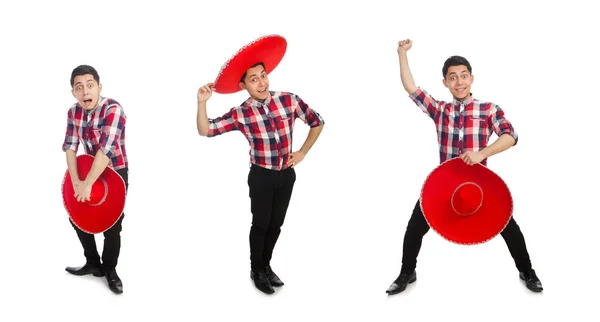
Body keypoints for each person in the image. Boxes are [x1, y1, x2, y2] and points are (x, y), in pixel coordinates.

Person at [386, 39, 543, 295]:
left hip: (479, 185)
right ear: (445, 83)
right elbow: (411, 87)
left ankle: (528, 272)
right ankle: (407, 273)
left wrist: (483, 153)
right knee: (414, 227)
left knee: (509, 227)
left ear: (471, 79)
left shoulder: (488, 109)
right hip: (443, 185)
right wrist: (402, 53)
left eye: (463, 76)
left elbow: (511, 136)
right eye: (452, 77)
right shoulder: (439, 110)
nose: (459, 82)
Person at [196, 35, 325, 295]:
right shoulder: (241, 112)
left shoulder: (288, 100)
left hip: (286, 174)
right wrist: (202, 103)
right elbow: (205, 130)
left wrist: (302, 152)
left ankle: (267, 265)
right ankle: (257, 269)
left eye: (263, 75)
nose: (261, 82)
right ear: (244, 85)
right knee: (261, 223)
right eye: (253, 79)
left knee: (277, 223)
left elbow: (317, 121)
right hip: (261, 177)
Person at [62, 65, 128, 294]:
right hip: (84, 171)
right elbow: (70, 147)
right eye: (79, 87)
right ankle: (93, 263)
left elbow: (106, 151)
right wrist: (76, 182)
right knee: (78, 216)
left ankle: (110, 269)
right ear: (73, 92)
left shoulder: (113, 109)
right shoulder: (73, 112)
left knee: (112, 225)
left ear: (99, 87)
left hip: (114, 171)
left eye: (90, 85)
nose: (85, 91)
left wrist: (87, 183)